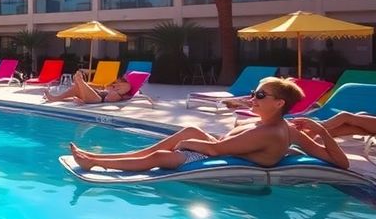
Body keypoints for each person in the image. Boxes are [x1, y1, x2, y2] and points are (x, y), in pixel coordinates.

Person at [70, 77, 306, 171]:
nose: (253, 98)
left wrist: (188, 143)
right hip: (222, 149)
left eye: (260, 96)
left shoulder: (270, 131)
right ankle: (98, 157)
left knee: (160, 156)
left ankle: (96, 162)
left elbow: (216, 150)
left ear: (279, 103)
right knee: (190, 130)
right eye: (254, 93)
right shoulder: (274, 125)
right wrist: (319, 132)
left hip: (220, 156)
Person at [44, 70, 131, 104]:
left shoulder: (124, 89)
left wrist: (116, 87)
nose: (116, 80)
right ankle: (55, 98)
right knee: (76, 87)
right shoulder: (111, 86)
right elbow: (101, 87)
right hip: (95, 94)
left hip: (99, 99)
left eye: (119, 79)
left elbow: (127, 87)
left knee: (79, 83)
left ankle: (80, 80)